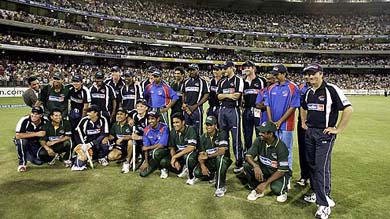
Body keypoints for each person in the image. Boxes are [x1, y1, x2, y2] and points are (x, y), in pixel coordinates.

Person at [301, 63, 353, 219]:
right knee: (312, 164)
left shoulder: (331, 89)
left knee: (320, 168)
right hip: (310, 133)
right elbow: (303, 107)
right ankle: (319, 193)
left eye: (313, 74)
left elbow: (348, 108)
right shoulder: (308, 91)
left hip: (324, 134)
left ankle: (323, 205)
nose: (310, 77)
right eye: (308, 74)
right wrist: (303, 122)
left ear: (321, 74)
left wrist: (337, 129)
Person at [244, 122, 290, 203]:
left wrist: (265, 184)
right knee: (247, 166)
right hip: (264, 169)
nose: (260, 133)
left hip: (277, 172)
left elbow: (282, 170)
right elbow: (248, 156)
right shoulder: (259, 140)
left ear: (271, 134)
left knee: (276, 189)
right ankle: (257, 189)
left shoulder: (281, 147)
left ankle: (283, 191)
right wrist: (256, 166)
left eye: (263, 132)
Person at [265, 64, 300, 170]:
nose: (275, 76)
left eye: (277, 74)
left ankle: (286, 175)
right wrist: (271, 121)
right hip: (274, 125)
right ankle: (275, 173)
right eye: (274, 74)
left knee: (286, 150)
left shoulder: (293, 88)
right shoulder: (271, 88)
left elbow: (293, 107)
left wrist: (280, 121)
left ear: (284, 74)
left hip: (286, 125)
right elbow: (268, 105)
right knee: (273, 149)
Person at [194, 116, 232, 197]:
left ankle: (221, 187)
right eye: (207, 125)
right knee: (197, 172)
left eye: (210, 125)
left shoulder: (222, 134)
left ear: (215, 125)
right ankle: (214, 175)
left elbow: (222, 151)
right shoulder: (203, 137)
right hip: (211, 161)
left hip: (223, 160)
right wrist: (202, 165)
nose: (208, 127)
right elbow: (201, 155)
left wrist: (208, 156)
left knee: (220, 159)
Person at [217, 61, 244, 173]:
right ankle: (226, 159)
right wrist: (228, 95)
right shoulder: (222, 81)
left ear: (232, 68)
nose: (224, 71)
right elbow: (218, 96)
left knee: (236, 138)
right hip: (222, 110)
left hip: (233, 110)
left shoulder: (238, 80)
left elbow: (237, 96)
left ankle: (239, 162)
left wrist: (225, 96)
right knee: (223, 136)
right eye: (223, 68)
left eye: (226, 68)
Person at [72, 105, 110, 170]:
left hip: (97, 142)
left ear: (96, 113)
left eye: (90, 112)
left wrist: (91, 144)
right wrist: (81, 144)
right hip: (86, 143)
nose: (87, 113)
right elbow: (77, 133)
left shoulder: (103, 120)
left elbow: (103, 134)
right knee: (82, 159)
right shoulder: (84, 120)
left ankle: (101, 157)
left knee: (105, 142)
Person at [14, 106, 48, 172]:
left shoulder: (45, 121)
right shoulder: (24, 120)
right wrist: (36, 134)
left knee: (39, 162)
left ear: (41, 115)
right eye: (33, 113)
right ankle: (22, 164)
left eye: (37, 114)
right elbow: (18, 136)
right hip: (25, 140)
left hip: (36, 142)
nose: (34, 115)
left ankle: (27, 154)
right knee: (21, 141)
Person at [242, 60, 266, 150]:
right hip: (247, 110)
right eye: (245, 68)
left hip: (258, 111)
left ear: (254, 69)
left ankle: (261, 155)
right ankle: (247, 155)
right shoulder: (242, 81)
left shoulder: (261, 80)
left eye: (248, 67)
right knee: (247, 134)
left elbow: (266, 95)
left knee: (260, 133)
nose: (246, 69)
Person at [168, 112, 198, 184]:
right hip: (180, 154)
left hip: (193, 154)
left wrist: (175, 157)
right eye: (173, 123)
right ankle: (184, 168)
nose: (175, 125)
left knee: (187, 157)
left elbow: (191, 147)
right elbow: (172, 148)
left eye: (177, 122)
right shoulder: (173, 131)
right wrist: (175, 160)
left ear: (183, 122)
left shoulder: (191, 129)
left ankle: (192, 176)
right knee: (165, 162)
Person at [121, 99, 149, 174]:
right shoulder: (134, 113)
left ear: (146, 108)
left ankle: (142, 159)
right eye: (138, 106)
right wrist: (129, 119)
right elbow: (127, 115)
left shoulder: (149, 118)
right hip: (136, 138)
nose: (139, 108)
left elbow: (152, 136)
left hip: (146, 140)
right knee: (130, 142)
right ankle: (127, 162)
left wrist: (139, 137)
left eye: (141, 106)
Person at [139, 111, 170, 178]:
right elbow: (145, 147)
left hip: (165, 151)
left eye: (152, 118)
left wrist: (148, 148)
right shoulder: (146, 129)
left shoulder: (164, 128)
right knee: (143, 174)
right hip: (152, 153)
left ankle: (163, 168)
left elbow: (161, 145)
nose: (150, 121)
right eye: (149, 119)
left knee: (157, 154)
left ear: (158, 119)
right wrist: (146, 161)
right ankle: (156, 166)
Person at [182, 64, 209, 136]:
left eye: (193, 70)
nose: (191, 72)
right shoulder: (186, 82)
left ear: (198, 70)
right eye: (189, 70)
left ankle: (199, 146)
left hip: (197, 109)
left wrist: (196, 105)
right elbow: (184, 94)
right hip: (187, 109)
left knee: (197, 130)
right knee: (186, 129)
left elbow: (206, 95)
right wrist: (184, 104)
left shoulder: (203, 82)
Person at [296, 71, 311, 186]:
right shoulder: (301, 87)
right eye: (305, 74)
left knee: (313, 152)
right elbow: (299, 104)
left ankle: (313, 178)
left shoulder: (323, 88)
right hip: (302, 123)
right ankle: (304, 176)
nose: (307, 77)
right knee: (303, 150)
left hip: (315, 124)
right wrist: (302, 121)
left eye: (310, 74)